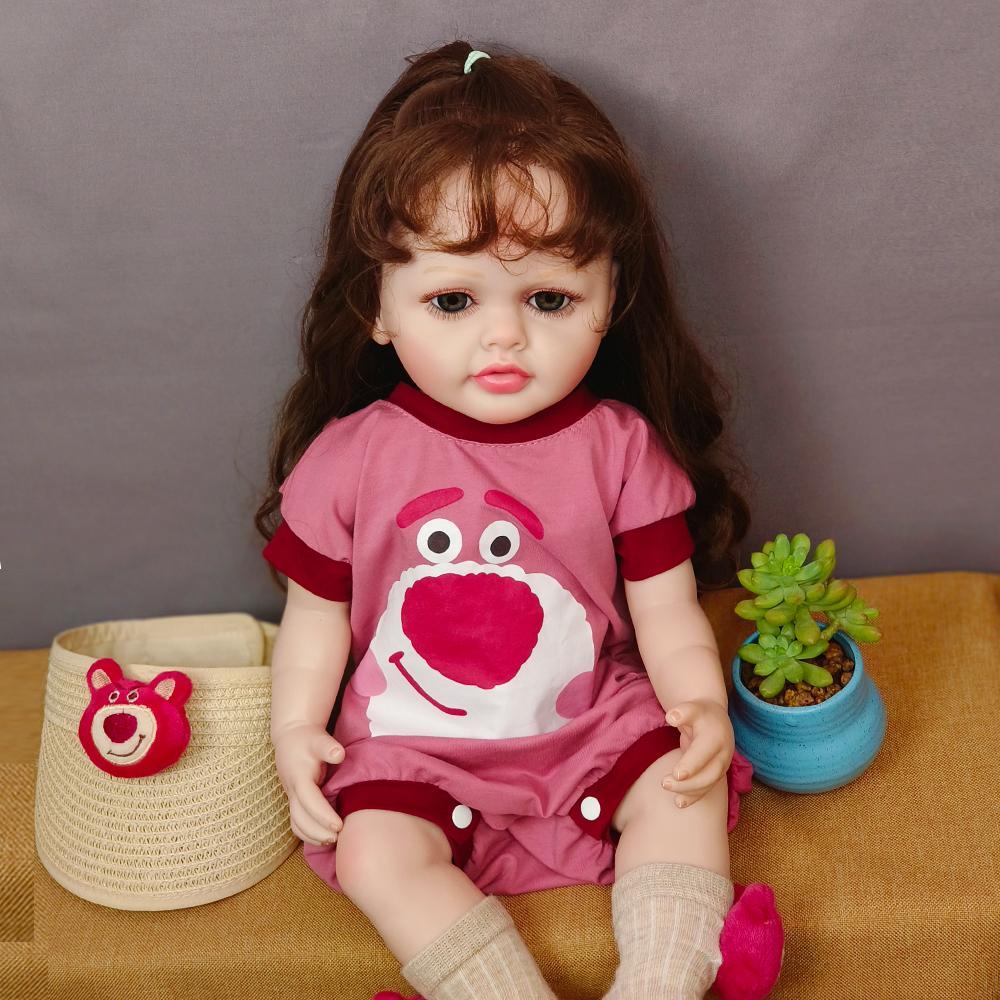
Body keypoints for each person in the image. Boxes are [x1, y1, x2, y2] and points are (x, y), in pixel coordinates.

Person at [256, 40, 774, 1000]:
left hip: (589, 726)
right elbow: (316, 619)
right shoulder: (352, 456)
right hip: (414, 748)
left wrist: (700, 704)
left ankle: (661, 981)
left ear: (610, 299)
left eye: (549, 298)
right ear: (377, 305)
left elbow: (664, 611)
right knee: (375, 854)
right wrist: (294, 729)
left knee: (684, 788)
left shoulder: (618, 447)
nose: (504, 336)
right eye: (453, 299)